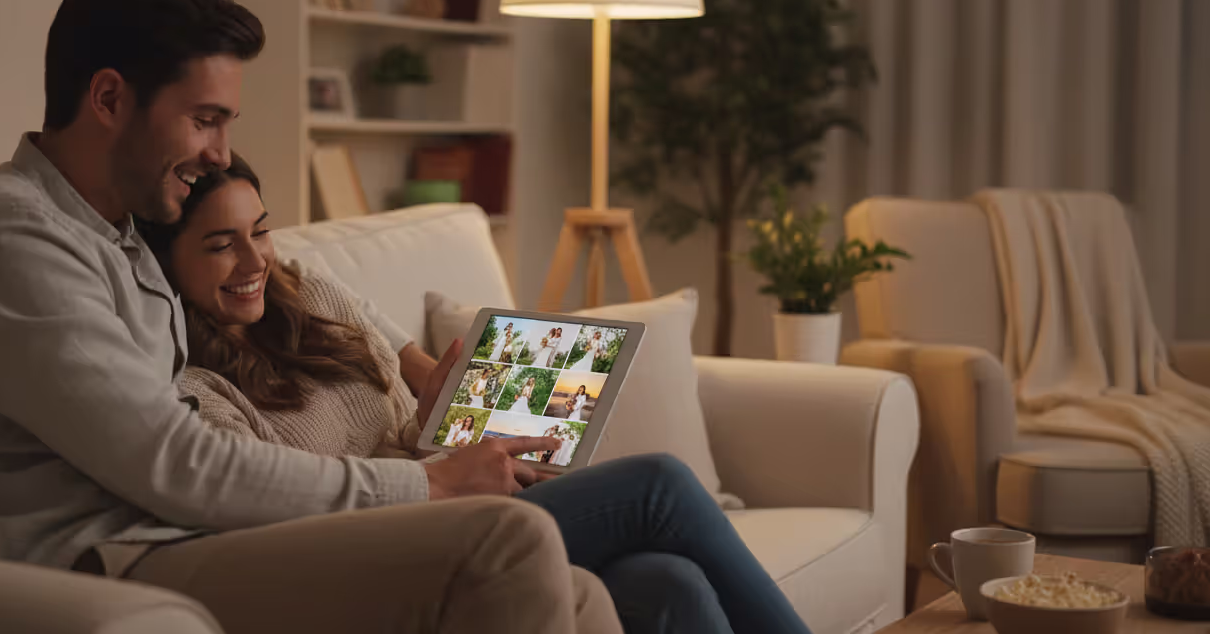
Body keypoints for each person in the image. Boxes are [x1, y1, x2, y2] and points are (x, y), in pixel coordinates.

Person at [0, 0, 620, 634]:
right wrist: (425, 482)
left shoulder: (123, 236)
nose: (222, 153)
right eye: (205, 118)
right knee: (509, 539)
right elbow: (178, 463)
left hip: (180, 537)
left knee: (578, 589)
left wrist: (425, 396)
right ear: (108, 98)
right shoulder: (11, 242)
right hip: (104, 566)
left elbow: (307, 299)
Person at [138, 155, 816, 634]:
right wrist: (431, 470)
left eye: (259, 230)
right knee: (660, 486)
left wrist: (458, 412)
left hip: (464, 482)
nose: (255, 261)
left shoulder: (307, 290)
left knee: (669, 582)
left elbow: (427, 376)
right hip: (408, 532)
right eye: (222, 246)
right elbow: (283, 519)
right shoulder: (200, 394)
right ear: (169, 265)